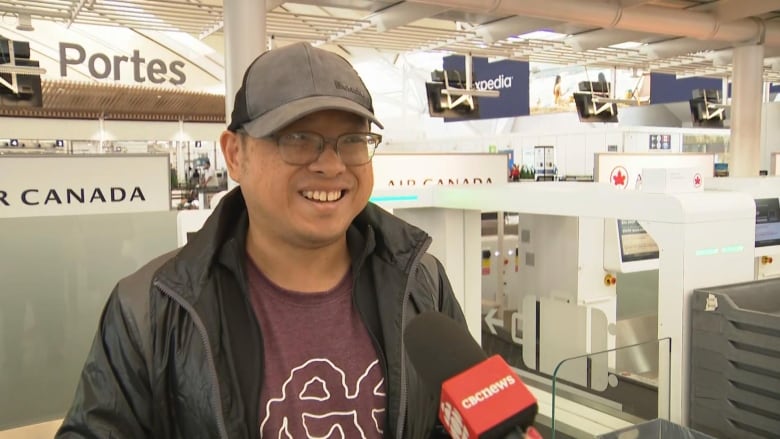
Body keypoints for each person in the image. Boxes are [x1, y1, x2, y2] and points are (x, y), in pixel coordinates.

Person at [56, 41, 468, 439]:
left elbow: (460, 417)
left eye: (353, 140)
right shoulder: (153, 308)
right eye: (298, 138)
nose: (331, 164)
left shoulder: (422, 282)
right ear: (236, 155)